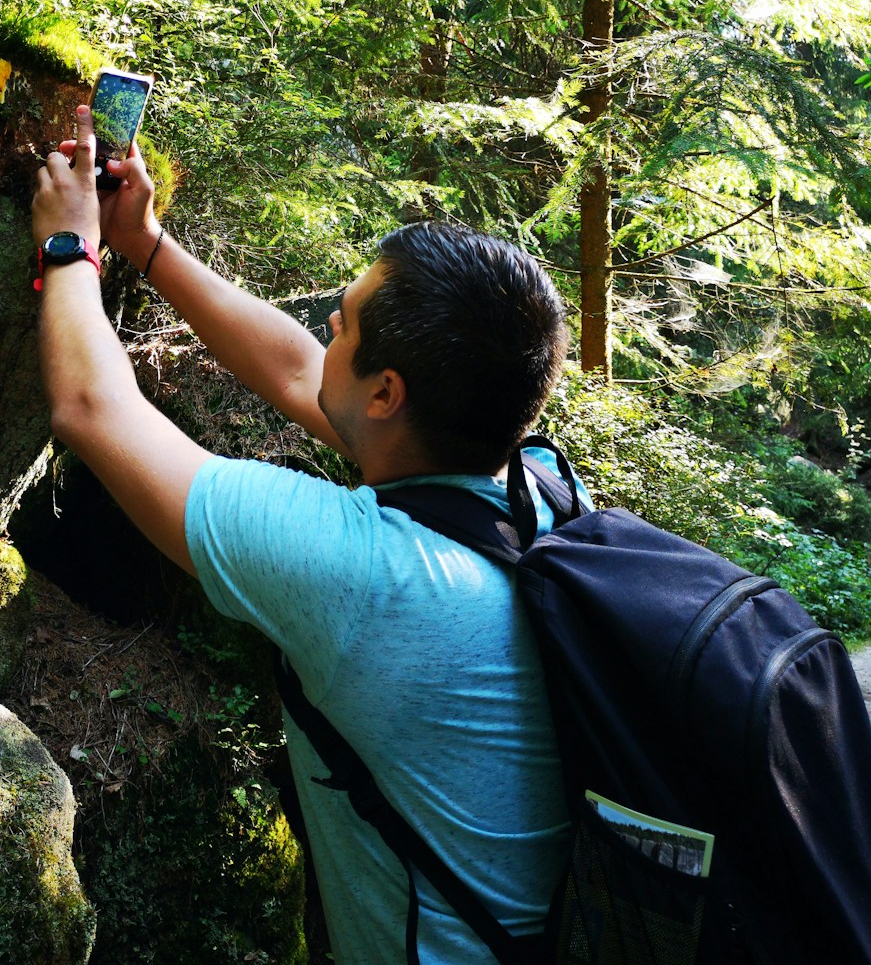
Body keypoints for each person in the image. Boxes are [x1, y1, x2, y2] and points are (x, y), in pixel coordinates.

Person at [33, 105, 577, 964]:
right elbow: (296, 370)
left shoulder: (366, 578)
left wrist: (69, 246)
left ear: (388, 394)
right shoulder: (533, 489)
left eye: (347, 319)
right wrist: (143, 241)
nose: (327, 323)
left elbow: (94, 409)